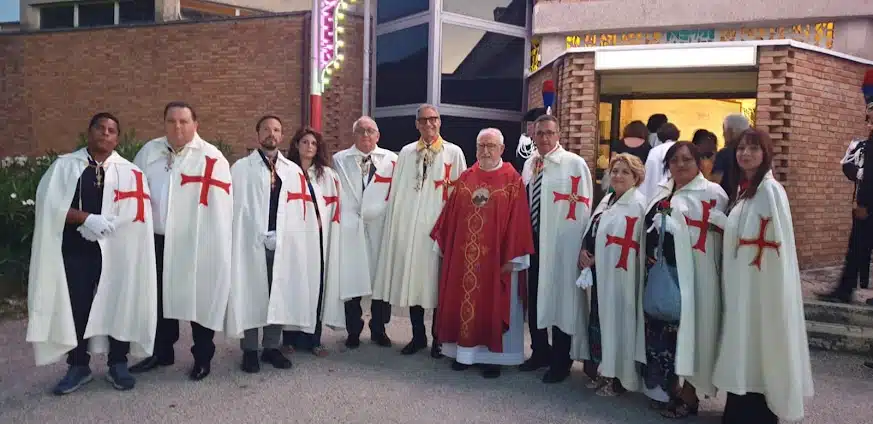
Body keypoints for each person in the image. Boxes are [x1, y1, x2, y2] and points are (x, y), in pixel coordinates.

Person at [27, 113, 157, 395]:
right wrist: (84, 219)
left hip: (118, 251)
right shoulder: (65, 166)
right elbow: (48, 207)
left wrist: (109, 228)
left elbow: (140, 216)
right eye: (101, 128)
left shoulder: (130, 172)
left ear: (117, 139)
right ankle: (78, 365)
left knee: (118, 303)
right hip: (77, 250)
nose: (106, 134)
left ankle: (118, 362)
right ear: (89, 132)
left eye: (112, 131)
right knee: (77, 307)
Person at [711, 128, 813, 424]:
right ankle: (741, 406)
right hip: (747, 285)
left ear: (766, 154)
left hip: (761, 287)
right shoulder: (749, 189)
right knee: (746, 344)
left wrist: (719, 220)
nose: (745, 154)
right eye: (742, 148)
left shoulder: (769, 191)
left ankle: (757, 412)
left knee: (759, 344)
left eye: (754, 149)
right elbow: (744, 232)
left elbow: (769, 243)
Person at [129, 101, 233, 381]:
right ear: (164, 123)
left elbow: (221, 208)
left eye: (184, 121)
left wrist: (215, 245)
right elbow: (134, 194)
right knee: (158, 299)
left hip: (196, 242)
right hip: (158, 240)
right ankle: (161, 352)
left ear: (195, 125)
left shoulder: (211, 158)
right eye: (171, 121)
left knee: (197, 298)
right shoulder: (149, 152)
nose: (177, 127)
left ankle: (202, 357)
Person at [431, 128, 535, 379]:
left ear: (502, 149)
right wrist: (444, 244)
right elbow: (451, 215)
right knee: (462, 302)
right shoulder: (467, 177)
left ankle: (492, 359)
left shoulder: (513, 179)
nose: (486, 151)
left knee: (495, 304)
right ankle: (462, 354)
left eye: (491, 146)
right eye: (481, 146)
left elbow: (519, 219)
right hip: (464, 258)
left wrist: (514, 257)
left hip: (496, 260)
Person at [372, 104, 467, 357]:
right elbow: (398, 193)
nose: (428, 125)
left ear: (440, 122)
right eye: (423, 120)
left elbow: (461, 196)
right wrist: (399, 227)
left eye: (433, 119)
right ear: (416, 124)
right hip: (412, 230)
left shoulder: (454, 153)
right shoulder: (406, 153)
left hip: (439, 229)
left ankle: (439, 339)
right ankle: (417, 336)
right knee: (414, 283)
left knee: (437, 285)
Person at [643, 141, 728, 418]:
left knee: (695, 335)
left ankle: (690, 395)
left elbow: (720, 236)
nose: (680, 165)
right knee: (665, 335)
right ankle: (668, 387)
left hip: (698, 275)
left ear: (699, 162)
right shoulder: (663, 191)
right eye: (674, 160)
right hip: (666, 272)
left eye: (687, 159)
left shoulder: (712, 193)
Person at [226, 115, 308, 373]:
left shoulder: (292, 170)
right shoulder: (241, 168)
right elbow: (234, 206)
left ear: (282, 136)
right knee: (250, 292)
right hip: (250, 242)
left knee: (277, 293)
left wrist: (285, 235)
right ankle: (250, 350)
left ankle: (271, 347)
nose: (271, 134)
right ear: (258, 134)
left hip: (281, 242)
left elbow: (298, 209)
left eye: (276, 130)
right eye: (266, 129)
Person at [519, 114, 594, 384]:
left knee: (562, 298)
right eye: (539, 133)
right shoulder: (531, 163)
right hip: (535, 241)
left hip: (563, 243)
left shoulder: (574, 164)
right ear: (533, 135)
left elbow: (583, 205)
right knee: (537, 297)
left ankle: (562, 360)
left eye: (550, 133)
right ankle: (540, 350)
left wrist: (581, 244)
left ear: (559, 134)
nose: (544, 138)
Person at [573, 153, 647, 396]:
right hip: (599, 274)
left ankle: (617, 379)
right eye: (615, 171)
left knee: (618, 324)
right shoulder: (607, 200)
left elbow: (632, 243)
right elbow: (594, 230)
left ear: (636, 177)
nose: (618, 176)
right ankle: (602, 372)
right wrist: (585, 250)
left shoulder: (637, 205)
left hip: (621, 276)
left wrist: (600, 257)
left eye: (625, 172)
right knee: (599, 323)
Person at [332, 116, 397, 349]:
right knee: (352, 280)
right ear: (354, 135)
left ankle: (379, 329)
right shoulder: (339, 160)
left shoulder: (391, 160)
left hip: (380, 227)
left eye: (370, 131)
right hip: (351, 228)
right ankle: (353, 330)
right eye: (361, 131)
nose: (366, 135)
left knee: (381, 281)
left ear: (378, 136)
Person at [282, 127, 345, 357]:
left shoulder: (326, 175)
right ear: (296, 145)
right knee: (292, 284)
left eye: (314, 143)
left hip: (318, 238)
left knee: (316, 287)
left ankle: (313, 340)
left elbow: (333, 206)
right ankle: (288, 338)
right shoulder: (286, 171)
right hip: (294, 237)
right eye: (305, 142)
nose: (309, 147)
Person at [820, 72, 873, 304]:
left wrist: (863, 202)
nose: (868, 113)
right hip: (867, 202)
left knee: (858, 248)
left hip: (869, 205)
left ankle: (845, 290)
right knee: (856, 248)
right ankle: (845, 289)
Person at [711, 113, 751, 194]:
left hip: (727, 203)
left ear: (731, 132)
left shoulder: (724, 154)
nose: (723, 134)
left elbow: (714, 184)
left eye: (724, 131)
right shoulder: (754, 154)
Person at [639, 123, 680, 200]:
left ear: (659, 136)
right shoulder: (683, 149)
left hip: (657, 195)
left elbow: (647, 176)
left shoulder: (654, 151)